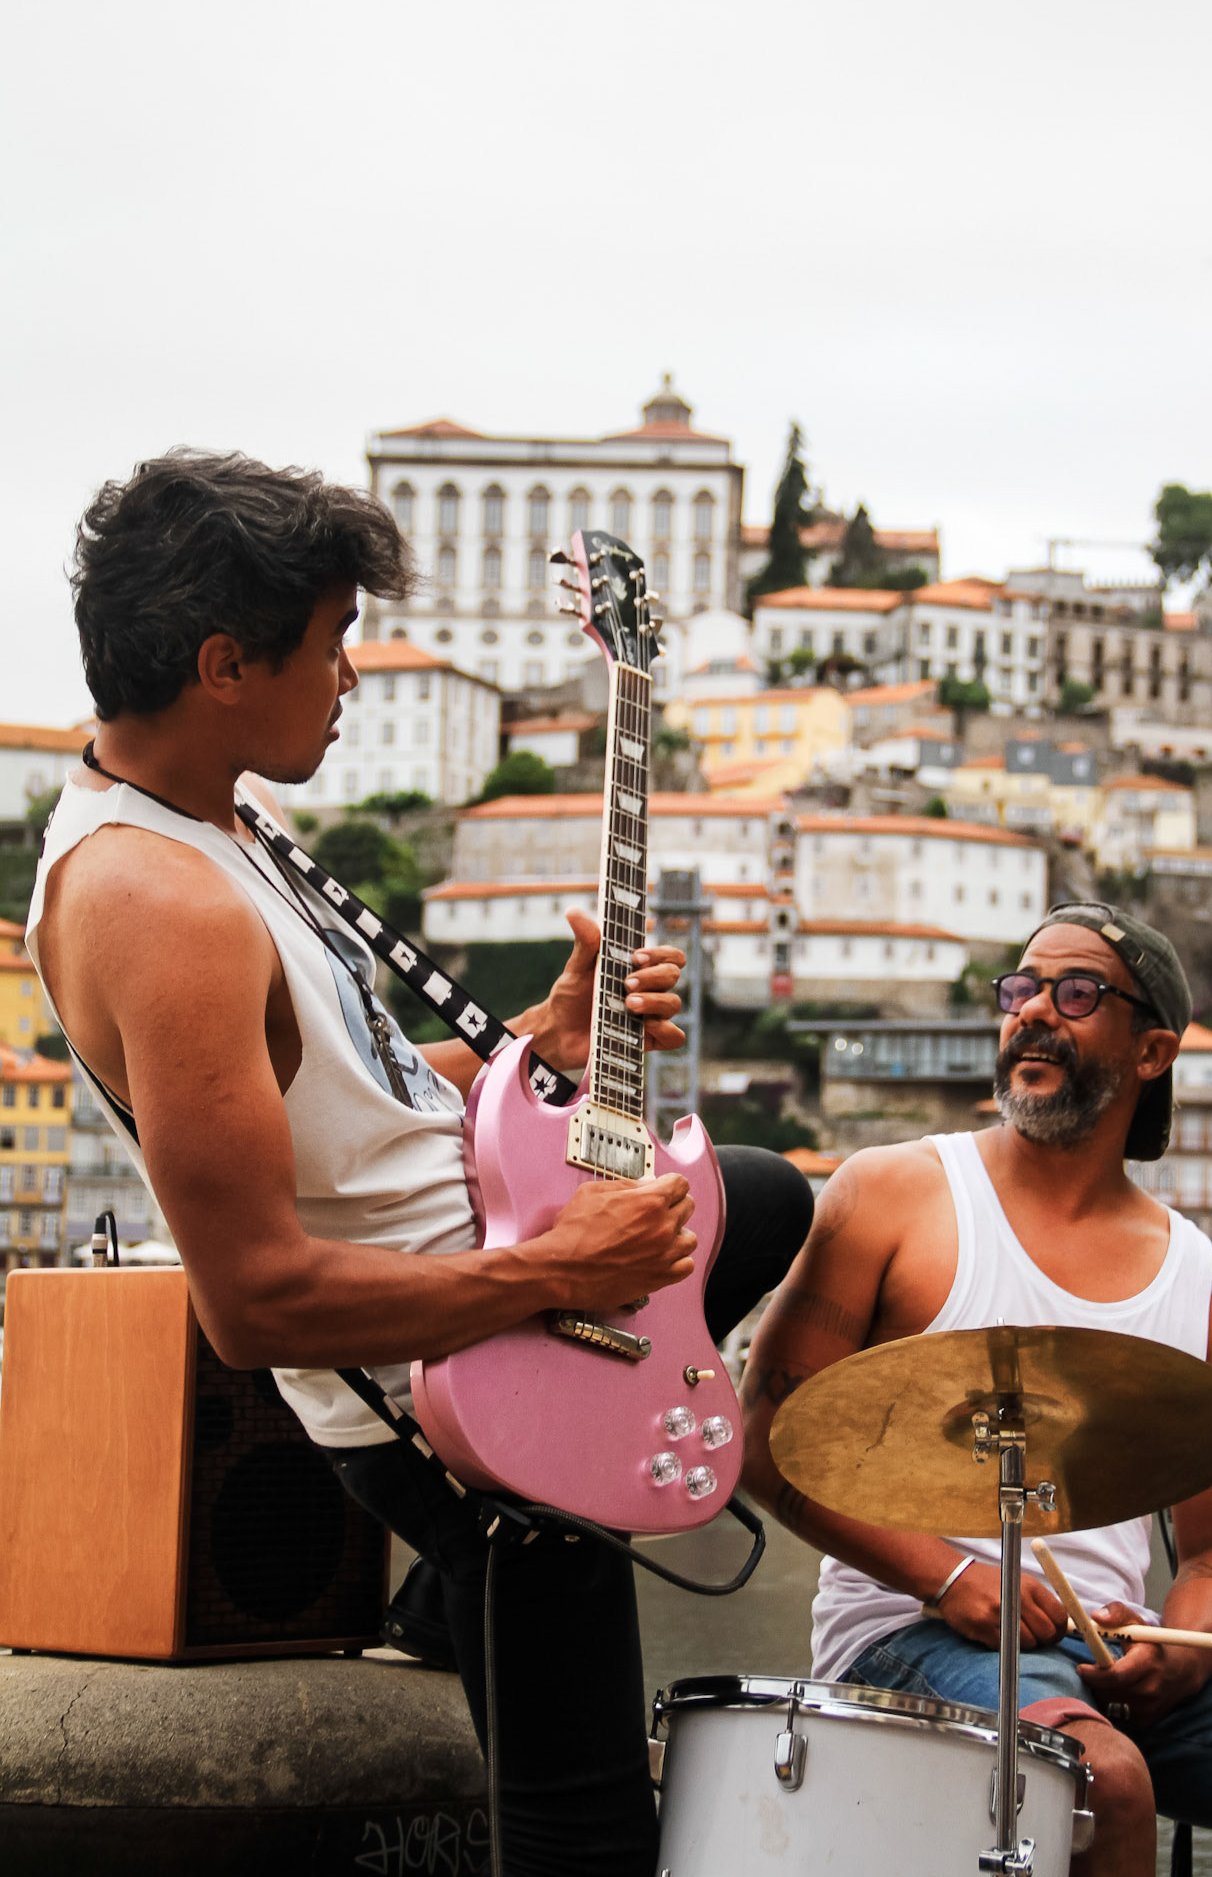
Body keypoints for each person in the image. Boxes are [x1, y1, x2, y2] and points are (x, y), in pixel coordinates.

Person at [27, 449, 812, 1877]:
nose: (351, 678)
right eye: (332, 644)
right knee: (587, 1827)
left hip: (494, 1271)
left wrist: (534, 1039)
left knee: (757, 1196)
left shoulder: (223, 818)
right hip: (445, 1391)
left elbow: (350, 1091)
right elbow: (255, 1304)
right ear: (223, 664)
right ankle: (483, 1552)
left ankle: (452, 1606)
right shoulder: (156, 902)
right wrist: (554, 1273)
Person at [742, 904, 1212, 1874]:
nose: (1033, 1010)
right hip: (906, 1632)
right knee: (1096, 1776)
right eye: (1021, 988)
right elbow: (762, 1438)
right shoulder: (888, 1195)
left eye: (1075, 993)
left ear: (1153, 1050)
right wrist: (952, 1579)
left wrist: (1184, 1650)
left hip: (1106, 1662)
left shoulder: (1209, 1289)